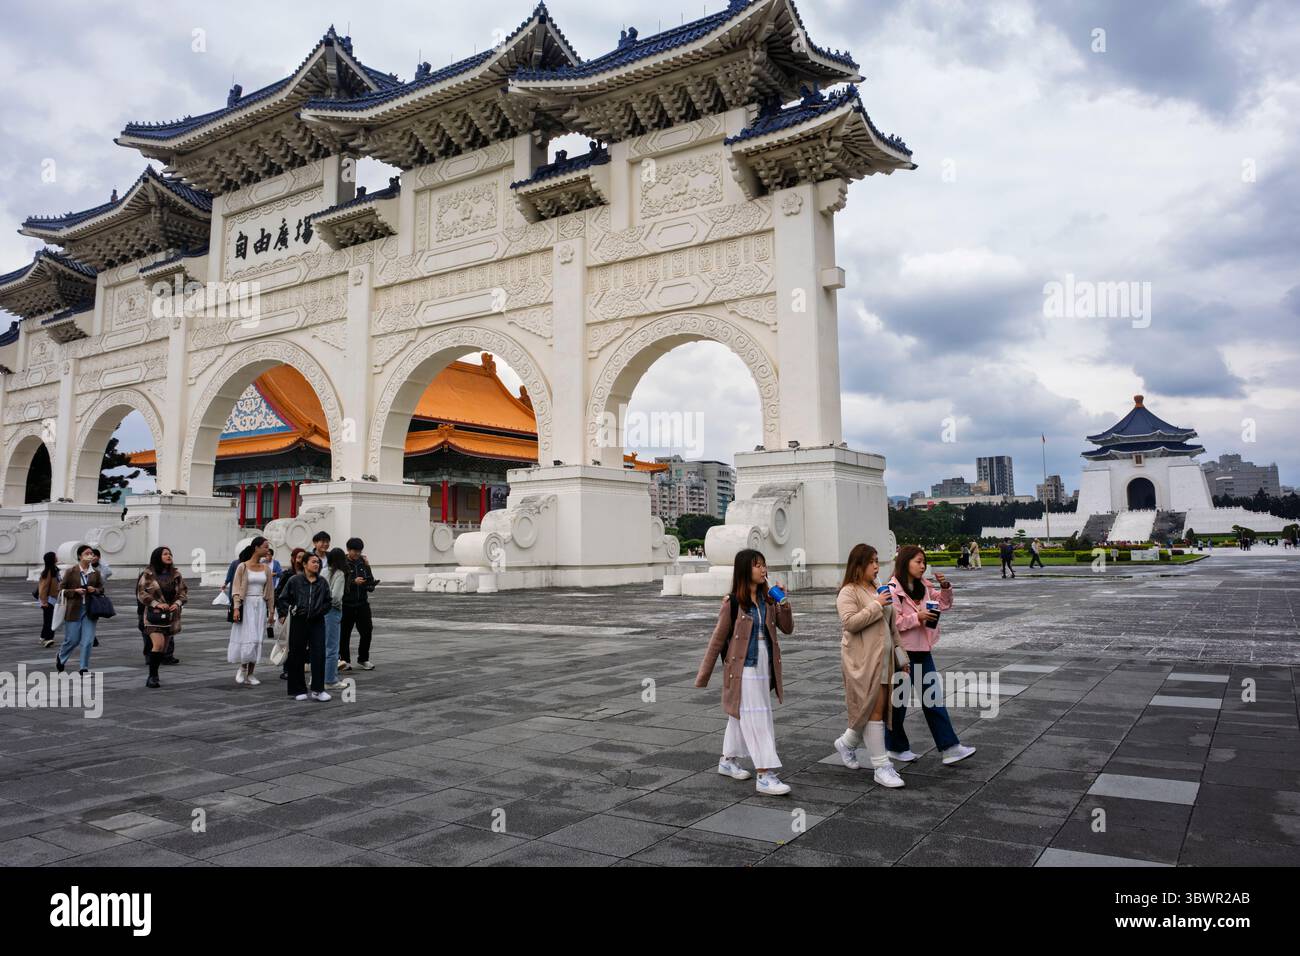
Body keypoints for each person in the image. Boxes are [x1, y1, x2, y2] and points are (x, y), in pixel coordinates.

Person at [694, 548, 795, 796]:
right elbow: (717, 640)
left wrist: (783, 601)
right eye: (757, 565)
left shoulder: (768, 600)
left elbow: (787, 628)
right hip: (743, 667)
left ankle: (727, 760)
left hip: (764, 664)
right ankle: (764, 773)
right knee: (758, 714)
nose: (763, 569)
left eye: (764, 564)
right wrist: (703, 675)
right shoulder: (733, 603)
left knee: (742, 713)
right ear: (744, 570)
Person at [884, 545, 976, 766]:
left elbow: (944, 604)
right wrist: (918, 617)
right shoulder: (891, 589)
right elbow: (893, 623)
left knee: (933, 700)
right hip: (902, 654)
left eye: (923, 562)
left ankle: (950, 748)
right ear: (905, 562)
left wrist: (945, 586)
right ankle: (895, 747)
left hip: (923, 651)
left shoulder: (924, 586)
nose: (922, 566)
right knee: (898, 705)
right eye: (918, 561)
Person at [833, 544, 911, 788]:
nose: (877, 566)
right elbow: (850, 623)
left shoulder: (878, 588)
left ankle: (846, 743)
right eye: (872, 562)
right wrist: (876, 604)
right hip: (863, 661)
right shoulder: (849, 592)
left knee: (871, 709)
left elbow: (892, 627)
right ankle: (881, 766)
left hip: (885, 659)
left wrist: (902, 656)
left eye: (878, 561)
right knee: (875, 710)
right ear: (858, 565)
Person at [277, 552, 332, 701]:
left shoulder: (322, 582)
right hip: (298, 621)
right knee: (296, 654)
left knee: (319, 654)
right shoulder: (294, 580)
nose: (317, 564)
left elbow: (328, 601)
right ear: (305, 564)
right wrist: (287, 612)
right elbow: (282, 599)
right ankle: (297, 689)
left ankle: (318, 689)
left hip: (317, 622)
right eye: (313, 562)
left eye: (318, 562)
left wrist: (319, 610)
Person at [137, 547, 188, 688]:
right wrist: (156, 604)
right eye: (165, 554)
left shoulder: (176, 574)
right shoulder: (148, 574)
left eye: (170, 553)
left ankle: (155, 671)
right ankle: (152, 676)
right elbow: (141, 593)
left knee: (163, 649)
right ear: (157, 556)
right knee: (158, 644)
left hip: (171, 616)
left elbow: (183, 592)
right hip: (153, 615)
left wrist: (177, 603)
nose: (169, 556)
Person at [229, 536, 274, 686]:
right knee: (247, 636)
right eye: (265, 547)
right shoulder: (242, 566)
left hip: (260, 604)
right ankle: (242, 667)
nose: (267, 550)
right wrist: (236, 607)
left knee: (257, 638)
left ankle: (251, 673)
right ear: (256, 548)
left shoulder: (266, 569)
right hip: (246, 603)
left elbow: (270, 591)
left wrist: (271, 611)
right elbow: (235, 589)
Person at [54, 544, 104, 675]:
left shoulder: (96, 573)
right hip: (74, 609)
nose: (90, 555)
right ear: (80, 556)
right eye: (87, 553)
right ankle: (61, 656)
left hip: (90, 610)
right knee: (72, 639)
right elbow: (61, 590)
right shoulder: (71, 571)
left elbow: (101, 590)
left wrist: (95, 590)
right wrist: (75, 591)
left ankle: (83, 668)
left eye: (91, 554)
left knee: (88, 641)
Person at [339, 537, 377, 671]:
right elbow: (339, 584)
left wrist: (369, 583)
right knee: (344, 633)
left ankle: (363, 659)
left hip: (362, 603)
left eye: (359, 551)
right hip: (346, 604)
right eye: (354, 551)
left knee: (367, 631)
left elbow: (370, 581)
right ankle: (344, 660)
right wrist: (353, 582)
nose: (357, 554)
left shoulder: (363, 562)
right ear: (348, 550)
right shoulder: (342, 563)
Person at [276, 548, 307, 680]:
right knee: (289, 642)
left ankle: (299, 667)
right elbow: (279, 594)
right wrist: (282, 614)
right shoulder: (288, 574)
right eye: (299, 557)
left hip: (304, 613)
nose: (301, 560)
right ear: (294, 558)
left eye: (303, 557)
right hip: (290, 612)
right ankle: (287, 669)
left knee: (302, 643)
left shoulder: (308, 573)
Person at [322, 547, 348, 691]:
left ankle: (319, 677)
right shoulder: (339, 574)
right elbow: (337, 597)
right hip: (332, 612)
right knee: (332, 648)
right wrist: (336, 605)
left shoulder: (323, 571)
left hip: (320, 611)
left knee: (321, 646)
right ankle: (330, 679)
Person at [37, 551, 61, 648]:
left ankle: (43, 637)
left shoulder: (55, 569)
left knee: (48, 620)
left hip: (53, 599)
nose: (57, 557)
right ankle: (48, 639)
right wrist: (44, 601)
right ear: (52, 558)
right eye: (55, 556)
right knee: (50, 620)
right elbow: (43, 587)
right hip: (48, 600)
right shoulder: (49, 571)